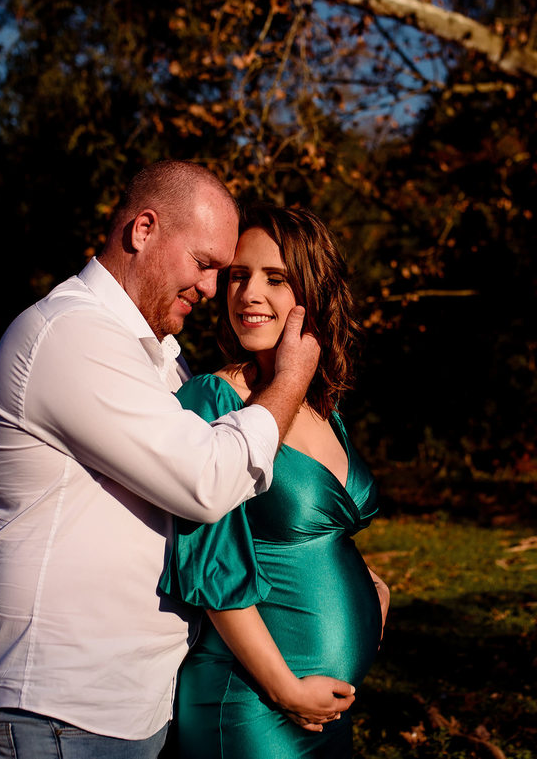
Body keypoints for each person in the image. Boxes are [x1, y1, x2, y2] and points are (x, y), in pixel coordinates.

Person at [0, 161, 354, 759]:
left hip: (132, 700)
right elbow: (208, 481)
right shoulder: (70, 336)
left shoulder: (158, 360)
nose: (212, 288)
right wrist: (292, 378)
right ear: (144, 229)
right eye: (207, 265)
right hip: (62, 704)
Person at [160, 204, 391, 758]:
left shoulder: (316, 402)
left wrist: (374, 587)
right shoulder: (213, 401)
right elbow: (210, 567)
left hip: (323, 704)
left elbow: (306, 535)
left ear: (313, 289)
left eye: (275, 278)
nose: (248, 294)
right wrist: (286, 690)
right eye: (238, 276)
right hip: (253, 701)